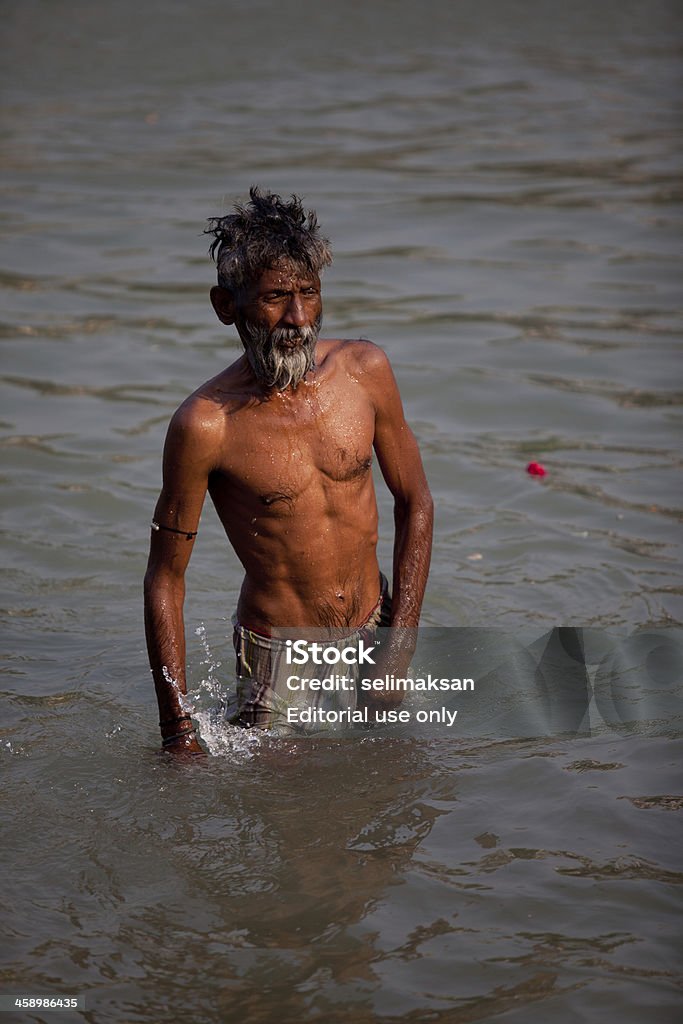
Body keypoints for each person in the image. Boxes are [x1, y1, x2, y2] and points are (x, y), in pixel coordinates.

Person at [144, 187, 433, 753]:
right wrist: (176, 729)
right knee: (294, 824)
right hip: (280, 658)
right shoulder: (206, 425)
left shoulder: (364, 371)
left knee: (394, 799)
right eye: (276, 297)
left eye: (309, 293)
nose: (298, 318)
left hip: (376, 626)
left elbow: (415, 500)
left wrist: (399, 644)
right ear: (226, 306)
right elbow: (165, 579)